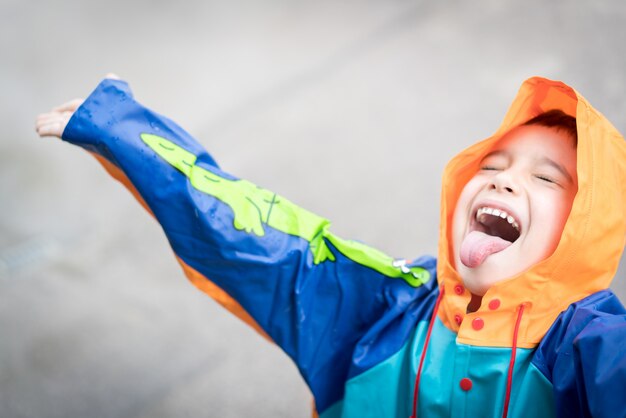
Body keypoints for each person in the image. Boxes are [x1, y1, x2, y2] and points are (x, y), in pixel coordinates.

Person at [36, 75, 626, 418]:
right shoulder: (390, 308)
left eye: (547, 178)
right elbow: (260, 239)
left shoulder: (586, 351)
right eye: (492, 163)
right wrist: (126, 135)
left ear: (586, 229)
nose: (503, 178)